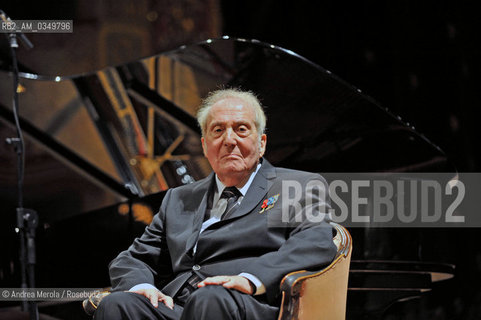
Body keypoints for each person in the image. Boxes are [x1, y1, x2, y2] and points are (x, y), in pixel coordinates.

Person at [94, 88, 337, 320]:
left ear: (262, 143)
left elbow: (314, 241)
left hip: (243, 304)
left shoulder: (295, 185)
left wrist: (251, 278)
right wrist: (143, 286)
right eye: (218, 130)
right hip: (179, 306)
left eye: (241, 129)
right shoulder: (179, 198)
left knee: (209, 299)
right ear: (204, 145)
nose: (229, 140)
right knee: (117, 304)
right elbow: (133, 259)